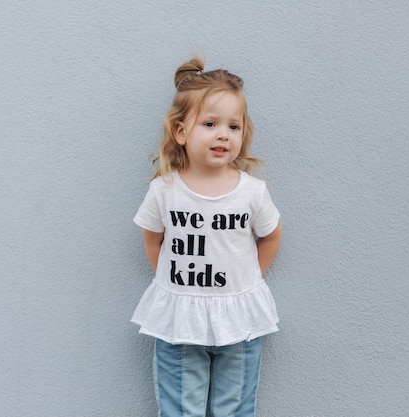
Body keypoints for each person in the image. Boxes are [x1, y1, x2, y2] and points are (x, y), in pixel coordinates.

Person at [132, 57, 282, 417]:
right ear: (182, 132)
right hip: (180, 319)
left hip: (239, 320)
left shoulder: (252, 192)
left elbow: (272, 236)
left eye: (234, 126)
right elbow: (153, 237)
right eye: (210, 123)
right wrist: (171, 281)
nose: (223, 134)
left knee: (235, 407)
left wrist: (248, 279)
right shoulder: (164, 190)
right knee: (180, 408)